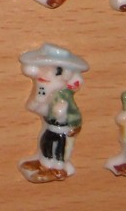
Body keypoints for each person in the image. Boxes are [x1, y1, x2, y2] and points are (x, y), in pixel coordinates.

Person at [18, 44, 88, 183]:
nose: (43, 74)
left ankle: (58, 167)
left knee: (59, 149)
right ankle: (45, 163)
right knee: (46, 143)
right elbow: (42, 107)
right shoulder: (50, 93)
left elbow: (70, 112)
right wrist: (38, 104)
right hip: (51, 125)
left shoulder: (62, 96)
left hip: (62, 128)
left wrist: (74, 124)